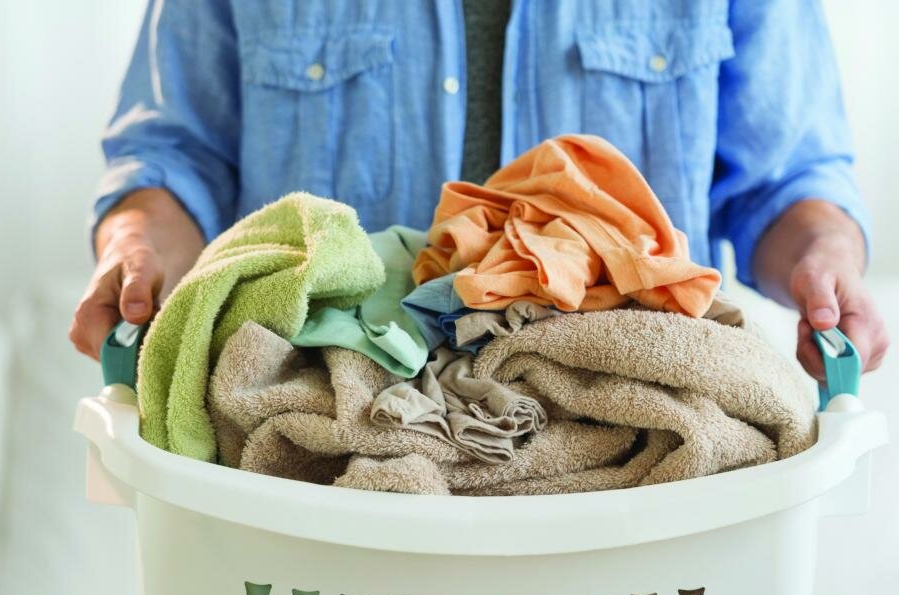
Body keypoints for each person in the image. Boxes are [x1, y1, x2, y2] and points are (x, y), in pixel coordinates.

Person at [70, 0, 888, 380]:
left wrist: (824, 257)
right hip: (318, 471)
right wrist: (136, 249)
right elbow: (175, 159)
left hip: (639, 475)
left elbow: (786, 184)